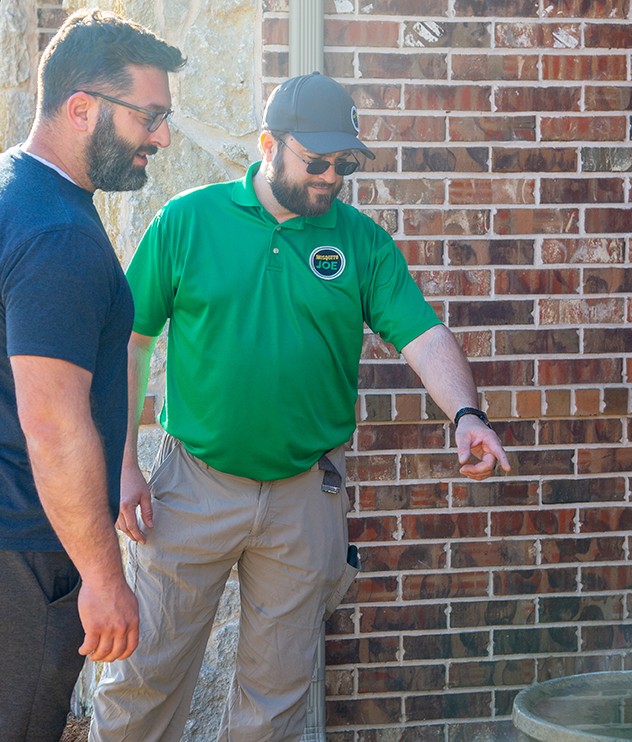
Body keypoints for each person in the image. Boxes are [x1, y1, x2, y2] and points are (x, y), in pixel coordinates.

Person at [88, 72, 511, 742]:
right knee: (145, 681)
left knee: (277, 706)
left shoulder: (360, 242)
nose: (331, 178)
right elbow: (129, 345)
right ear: (267, 144)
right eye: (316, 162)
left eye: (344, 164)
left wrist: (467, 416)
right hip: (191, 484)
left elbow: (424, 336)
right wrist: (121, 464)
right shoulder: (187, 223)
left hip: (304, 495)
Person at [0, 11, 185, 742]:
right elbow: (54, 424)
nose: (159, 136)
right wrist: (102, 576)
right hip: (18, 544)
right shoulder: (56, 233)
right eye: (149, 116)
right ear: (82, 107)